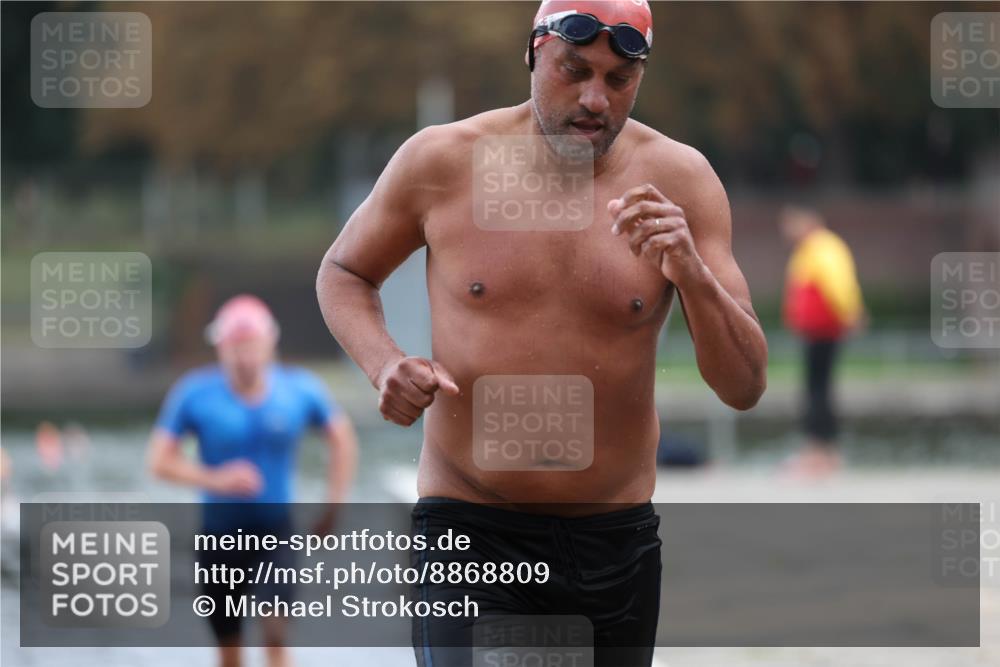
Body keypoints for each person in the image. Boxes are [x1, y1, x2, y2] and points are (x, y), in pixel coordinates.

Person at [316, 2, 767, 665]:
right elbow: (344, 271)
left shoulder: (681, 182)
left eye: (619, 80)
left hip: (614, 543)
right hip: (471, 531)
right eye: (574, 71)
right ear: (533, 54)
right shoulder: (444, 160)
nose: (595, 99)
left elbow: (743, 387)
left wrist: (691, 272)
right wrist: (384, 363)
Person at [147, 294, 358, 667]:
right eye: (235, 348)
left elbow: (342, 439)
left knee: (275, 634)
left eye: (251, 346)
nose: (244, 358)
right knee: (230, 650)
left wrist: (333, 507)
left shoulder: (300, 389)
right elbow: (159, 461)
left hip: (276, 533)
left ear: (269, 344)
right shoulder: (194, 393)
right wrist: (215, 478)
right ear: (220, 349)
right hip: (218, 538)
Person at [779, 205, 864, 478]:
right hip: (815, 330)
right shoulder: (811, 248)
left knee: (817, 389)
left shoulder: (822, 247)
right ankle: (822, 451)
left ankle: (819, 451)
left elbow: (838, 284)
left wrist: (851, 313)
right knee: (818, 388)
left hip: (822, 329)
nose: (788, 232)